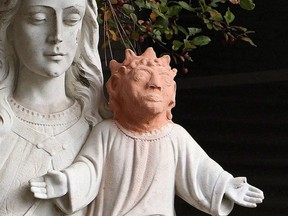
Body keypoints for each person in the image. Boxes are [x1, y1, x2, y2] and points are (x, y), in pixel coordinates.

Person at [30, 48, 264, 216]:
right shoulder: (107, 132)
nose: (154, 85)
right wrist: (68, 182)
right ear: (116, 90)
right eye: (140, 78)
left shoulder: (175, 136)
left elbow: (201, 169)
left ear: (171, 95)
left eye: (163, 80)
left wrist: (225, 185)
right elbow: (89, 169)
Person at [0, 0, 110, 215]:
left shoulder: (103, 129)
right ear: (10, 28)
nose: (57, 35)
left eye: (71, 20)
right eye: (38, 19)